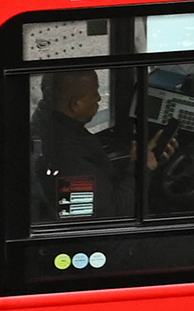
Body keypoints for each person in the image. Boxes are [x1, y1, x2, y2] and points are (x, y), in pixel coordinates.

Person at [31, 68, 176, 221]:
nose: (99, 98)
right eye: (94, 93)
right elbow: (113, 216)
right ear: (76, 104)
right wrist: (141, 168)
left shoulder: (48, 125)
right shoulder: (70, 163)